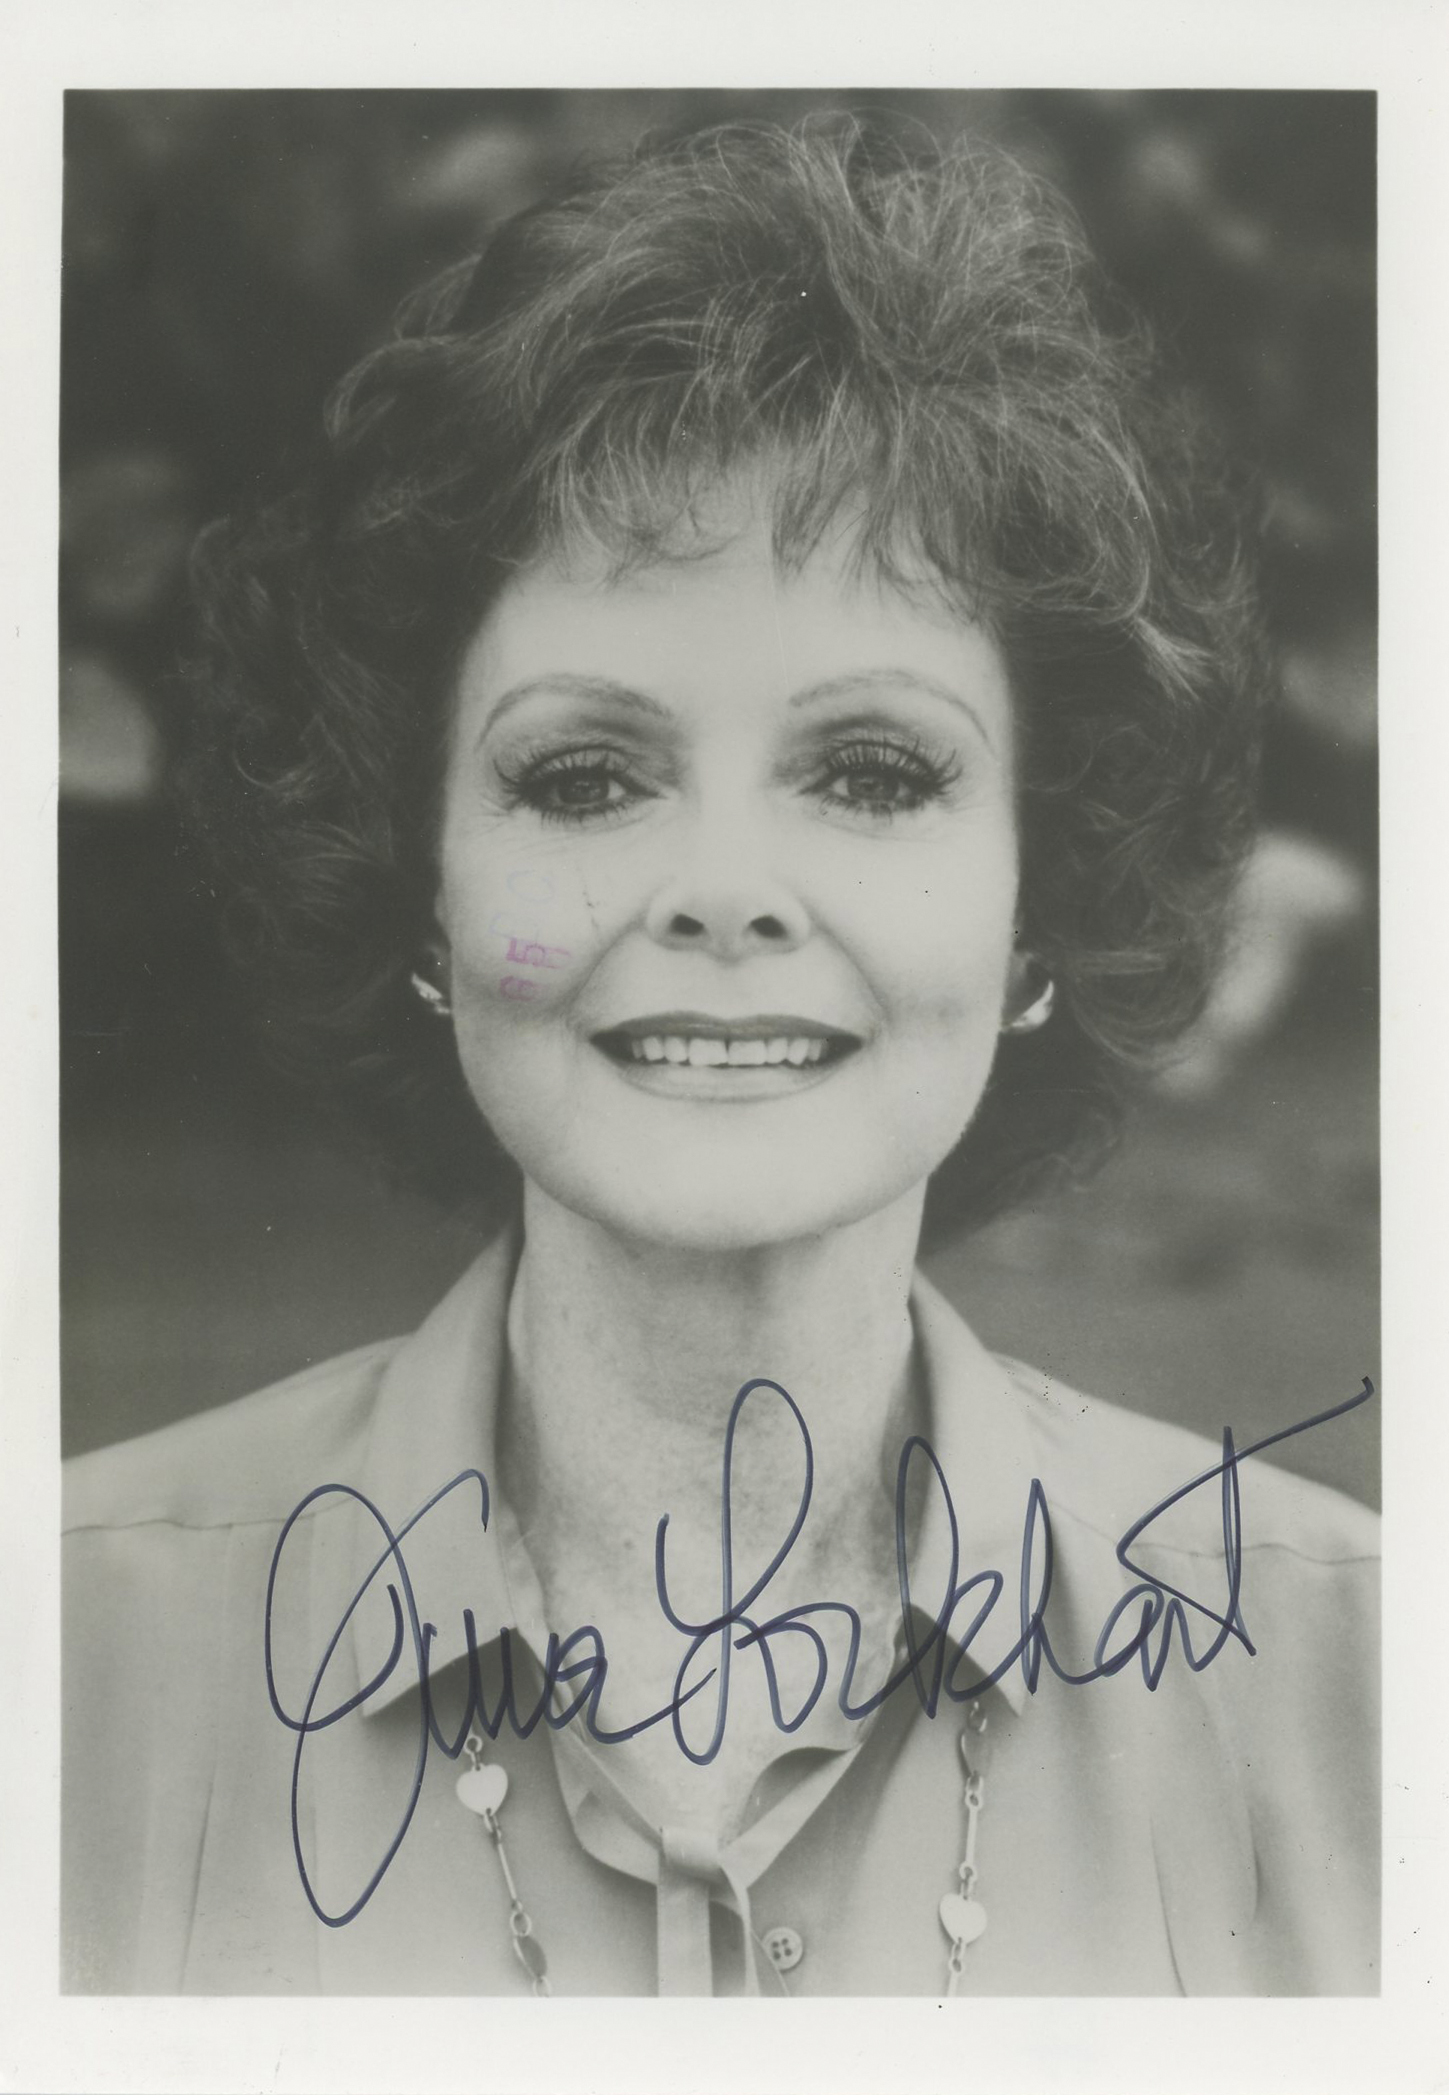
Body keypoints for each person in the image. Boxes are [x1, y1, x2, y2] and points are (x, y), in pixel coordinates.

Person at [62, 118, 1377, 1997]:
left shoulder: (1363, 1688)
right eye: (584, 778)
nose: (725, 892)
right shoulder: (64, 1661)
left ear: (1037, 908)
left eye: (873, 774)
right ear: (422, 894)